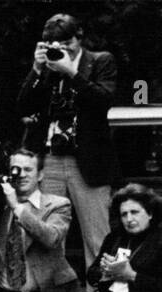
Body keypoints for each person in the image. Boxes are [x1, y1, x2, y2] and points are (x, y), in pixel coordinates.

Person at [16, 13, 118, 272]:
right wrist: (37, 71)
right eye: (54, 44)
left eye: (67, 42)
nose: (62, 49)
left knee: (97, 238)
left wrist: (71, 73)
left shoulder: (100, 61)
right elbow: (24, 106)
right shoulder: (47, 68)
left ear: (79, 38)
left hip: (88, 162)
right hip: (50, 159)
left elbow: (102, 101)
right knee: (47, 234)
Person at [0, 148, 82, 292]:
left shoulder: (56, 205)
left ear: (40, 175)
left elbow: (51, 238)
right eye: (16, 169)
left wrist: (16, 207)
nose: (21, 175)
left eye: (28, 169)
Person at [86, 183, 162, 292]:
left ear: (150, 213)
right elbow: (91, 274)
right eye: (124, 214)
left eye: (134, 212)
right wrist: (105, 271)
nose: (129, 219)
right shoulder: (114, 237)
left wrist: (131, 275)